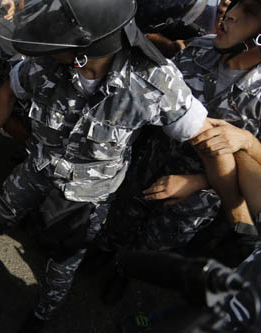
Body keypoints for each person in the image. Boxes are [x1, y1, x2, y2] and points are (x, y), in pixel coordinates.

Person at [0, 0, 242, 328]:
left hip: (87, 196)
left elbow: (209, 142)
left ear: (85, 50)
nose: (48, 52)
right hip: (37, 166)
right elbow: (9, 90)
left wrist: (234, 211)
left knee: (62, 266)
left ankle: (40, 316)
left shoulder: (156, 82)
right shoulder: (46, 62)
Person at [103, 0, 261, 253]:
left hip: (193, 200)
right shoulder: (200, 47)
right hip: (145, 165)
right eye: (237, 4)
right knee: (118, 223)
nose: (231, 15)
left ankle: (123, 275)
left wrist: (246, 143)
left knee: (150, 250)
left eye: (250, 12)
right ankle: (105, 253)